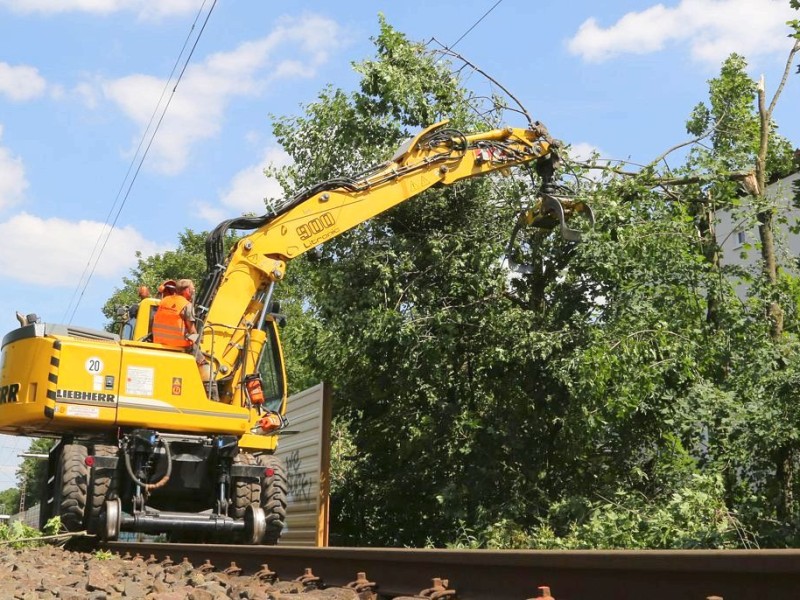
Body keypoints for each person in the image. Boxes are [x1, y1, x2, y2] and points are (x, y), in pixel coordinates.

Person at [152, 278, 198, 349]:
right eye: (193, 289)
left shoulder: (164, 301)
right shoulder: (187, 305)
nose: (193, 291)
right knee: (202, 359)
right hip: (178, 345)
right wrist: (197, 340)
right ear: (187, 290)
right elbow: (192, 331)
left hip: (158, 342)